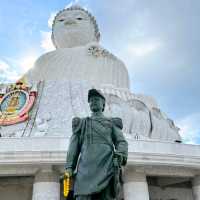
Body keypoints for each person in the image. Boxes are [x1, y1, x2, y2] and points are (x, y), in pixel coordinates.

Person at [65, 89, 128, 200]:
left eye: (96, 100)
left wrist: (121, 154)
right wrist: (69, 167)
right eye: (91, 100)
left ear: (103, 104)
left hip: (106, 167)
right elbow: (73, 147)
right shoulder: (82, 123)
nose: (93, 102)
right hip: (85, 170)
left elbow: (121, 141)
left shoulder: (111, 123)